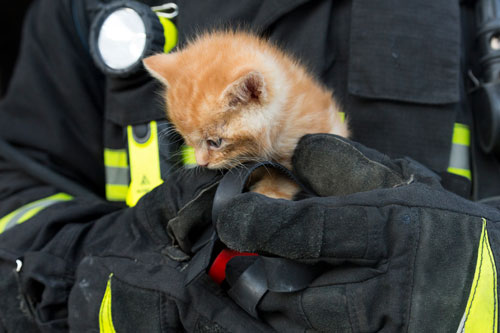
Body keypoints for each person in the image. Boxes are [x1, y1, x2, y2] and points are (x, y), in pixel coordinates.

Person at [0, 0, 499, 332]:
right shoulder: (83, 10)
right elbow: (14, 194)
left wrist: (484, 268)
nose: (200, 158)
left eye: (212, 141)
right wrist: (110, 274)